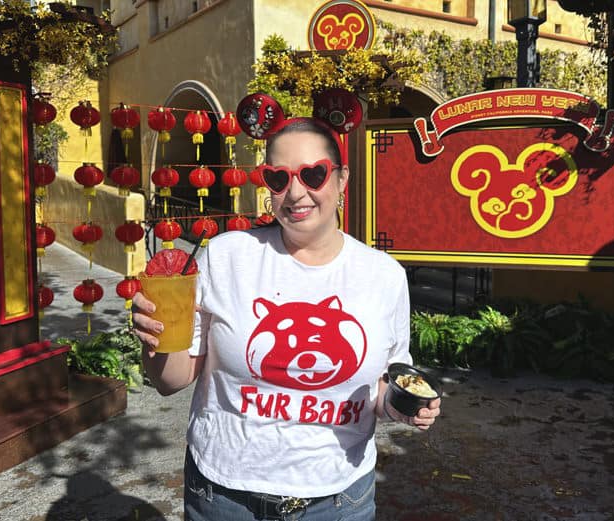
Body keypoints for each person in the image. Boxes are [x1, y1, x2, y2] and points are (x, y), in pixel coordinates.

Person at [132, 116, 441, 521]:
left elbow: (382, 386)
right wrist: (156, 336)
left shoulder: (383, 276)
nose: (296, 193)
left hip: (336, 499)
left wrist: (403, 406)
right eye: (278, 179)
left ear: (341, 179)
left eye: (313, 174)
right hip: (224, 497)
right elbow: (169, 381)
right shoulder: (227, 257)